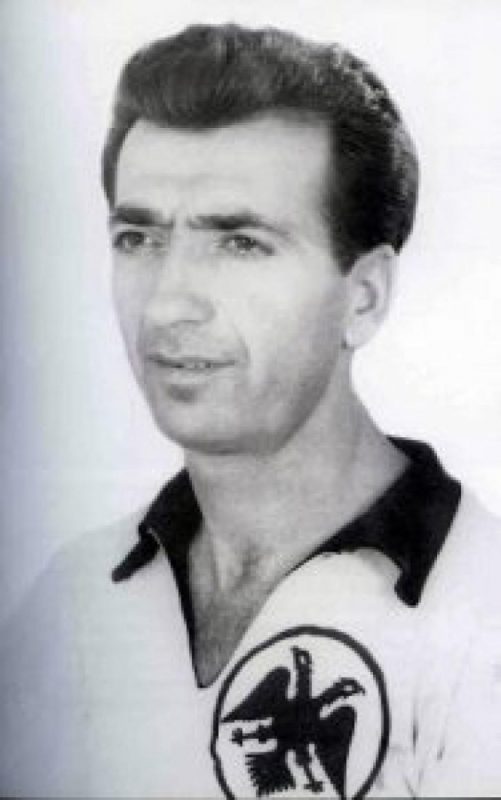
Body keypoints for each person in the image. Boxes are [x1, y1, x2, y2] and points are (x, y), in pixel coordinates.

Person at [2, 22, 501, 799]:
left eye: (239, 243)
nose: (167, 303)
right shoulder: (73, 601)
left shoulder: (479, 613)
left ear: (364, 297)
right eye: (137, 237)